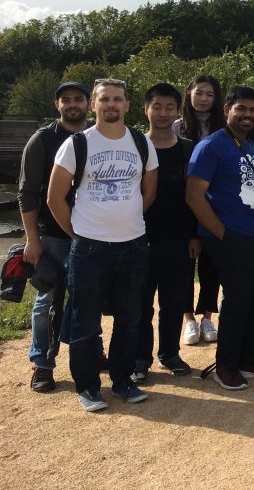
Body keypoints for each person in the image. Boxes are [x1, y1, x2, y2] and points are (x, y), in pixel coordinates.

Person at [48, 78, 158, 411]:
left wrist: (125, 222)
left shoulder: (141, 142)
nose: (111, 104)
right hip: (89, 250)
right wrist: (79, 233)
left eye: (118, 99)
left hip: (134, 246)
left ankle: (123, 381)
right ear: (93, 105)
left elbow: (149, 193)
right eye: (104, 99)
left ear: (126, 105)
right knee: (85, 320)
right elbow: (55, 199)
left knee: (130, 318)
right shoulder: (77, 144)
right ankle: (88, 387)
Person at [186, 85, 254, 390]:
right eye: (241, 109)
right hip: (234, 236)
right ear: (226, 110)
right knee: (238, 302)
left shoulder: (247, 145)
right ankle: (227, 365)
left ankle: (253, 358)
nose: (248, 115)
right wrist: (223, 234)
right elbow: (194, 196)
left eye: (252, 110)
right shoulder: (210, 146)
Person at [18, 81, 95, 393]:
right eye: (66, 100)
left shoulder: (99, 135)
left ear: (89, 103)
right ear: (57, 105)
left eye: (78, 99)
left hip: (93, 233)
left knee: (91, 296)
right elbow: (27, 193)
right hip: (53, 235)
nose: (72, 104)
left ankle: (93, 352)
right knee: (48, 299)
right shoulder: (43, 140)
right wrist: (32, 239)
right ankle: (43, 364)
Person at [132, 83, 196, 383]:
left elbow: (196, 197)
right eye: (157, 106)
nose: (162, 113)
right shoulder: (134, 147)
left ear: (178, 112)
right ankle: (140, 358)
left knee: (173, 302)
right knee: (140, 304)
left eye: (170, 107)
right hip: (139, 240)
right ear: (145, 109)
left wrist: (196, 235)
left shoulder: (188, 149)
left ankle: (169, 354)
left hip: (180, 240)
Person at [175, 74, 225, 348]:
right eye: (199, 93)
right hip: (182, 205)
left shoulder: (223, 128)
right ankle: (188, 320)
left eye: (209, 94)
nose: (203, 99)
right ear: (189, 95)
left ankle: (207, 316)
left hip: (214, 203)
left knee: (211, 264)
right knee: (184, 264)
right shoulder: (176, 127)